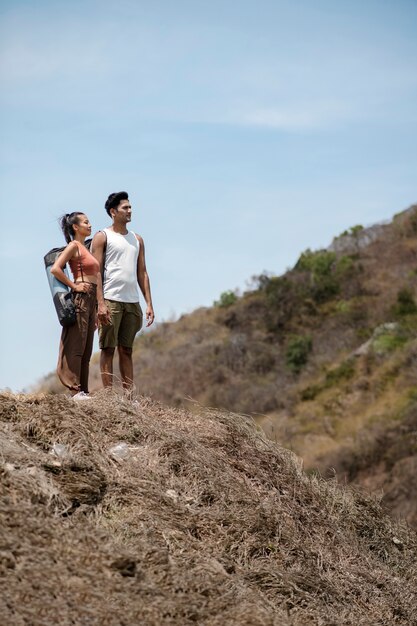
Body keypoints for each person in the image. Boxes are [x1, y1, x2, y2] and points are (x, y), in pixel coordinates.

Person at [92, 191, 155, 394]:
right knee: (108, 349)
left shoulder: (137, 239)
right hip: (110, 300)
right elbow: (96, 272)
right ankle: (109, 397)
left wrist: (149, 304)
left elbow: (142, 272)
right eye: (125, 208)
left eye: (130, 207)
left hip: (132, 302)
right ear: (113, 212)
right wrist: (100, 303)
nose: (130, 210)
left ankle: (129, 397)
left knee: (126, 350)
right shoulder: (102, 237)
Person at [51, 212, 101, 397]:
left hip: (91, 300)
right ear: (75, 227)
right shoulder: (73, 246)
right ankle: (74, 389)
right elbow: (56, 269)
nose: (90, 225)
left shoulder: (86, 248)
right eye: (86, 222)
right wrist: (74, 286)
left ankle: (83, 390)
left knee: (87, 348)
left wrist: (96, 308)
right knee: (76, 345)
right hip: (80, 297)